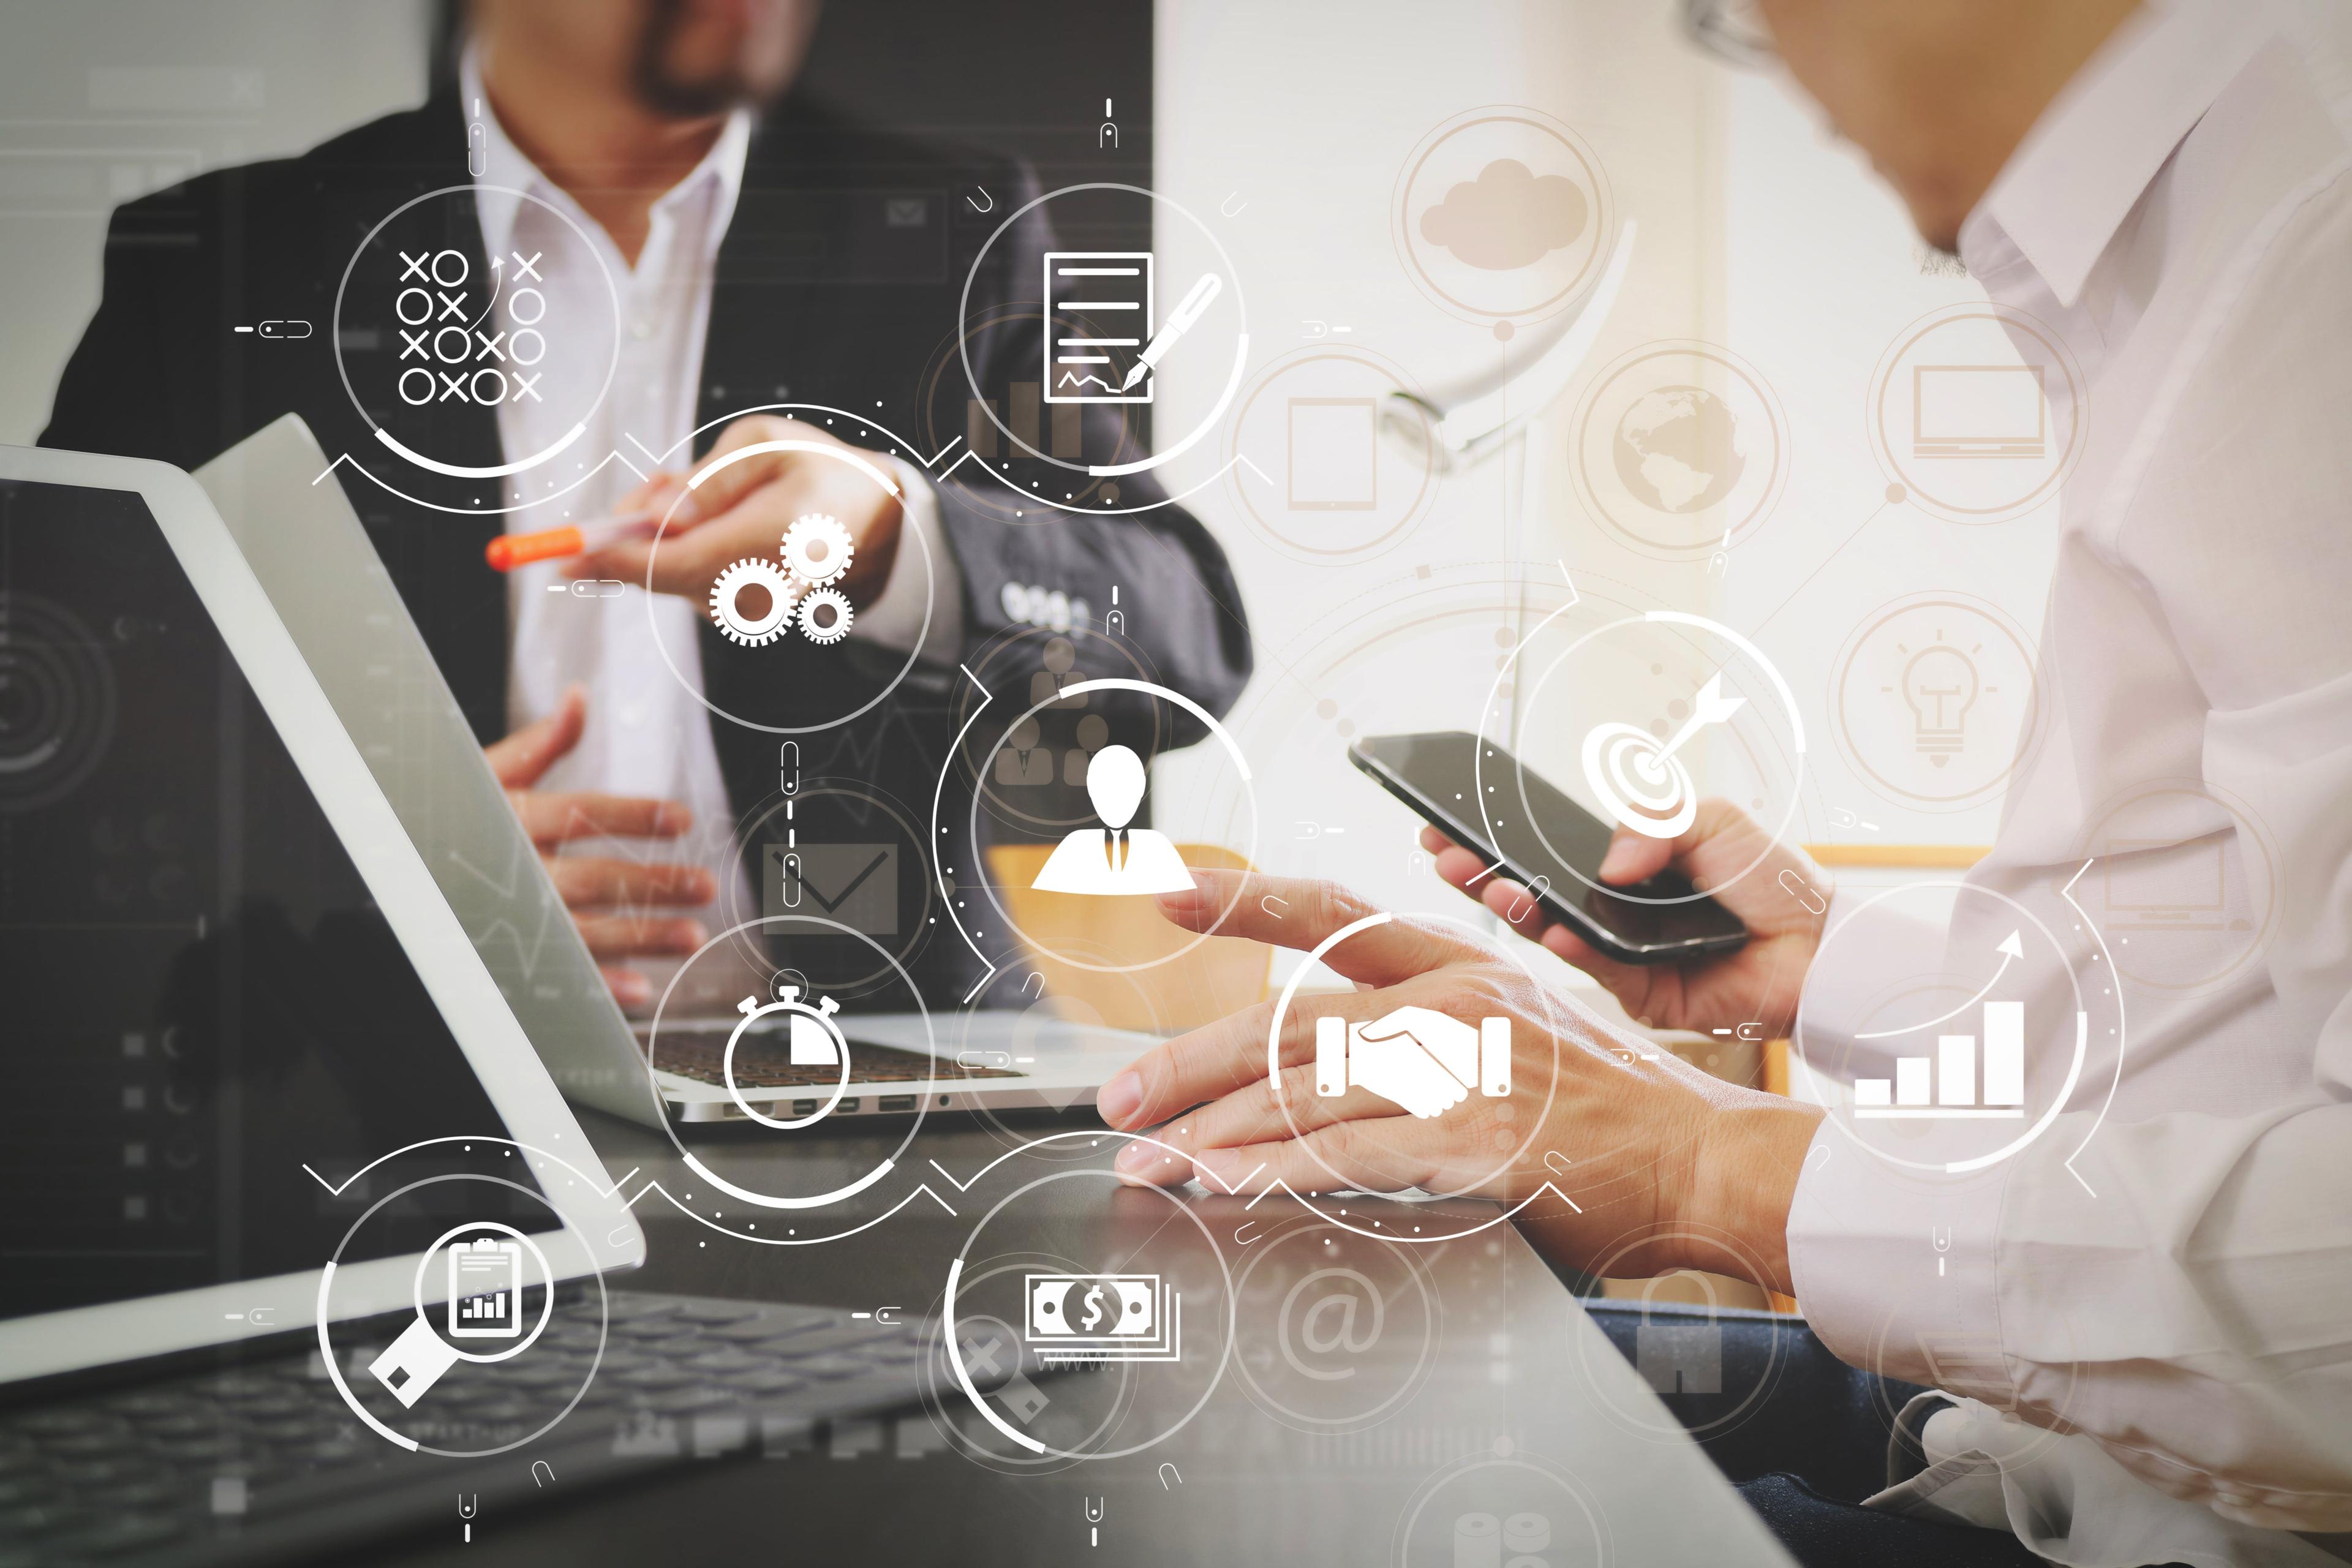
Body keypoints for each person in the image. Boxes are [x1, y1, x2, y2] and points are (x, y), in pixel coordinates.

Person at [1102, 1, 2352, 1563]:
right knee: (1217, 1399)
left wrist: (1716, 1166)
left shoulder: (2310, 240)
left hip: (2162, 1515)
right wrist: (1834, 965)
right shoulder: (2197, 230)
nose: (1754, 35)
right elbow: (2229, 1022)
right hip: (2027, 1429)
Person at [39, 0, 1251, 1009]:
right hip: (370, 1092)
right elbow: (53, 722)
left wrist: (898, 532)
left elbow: (1186, 631)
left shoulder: (956, 226)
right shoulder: (221, 263)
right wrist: (356, 857)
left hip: (885, 1098)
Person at [1030, 744, 1193, 896]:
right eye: (1106, 788)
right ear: (1091, 788)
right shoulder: (1074, 848)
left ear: (1141, 788)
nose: (1115, 799)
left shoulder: (1157, 849)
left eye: (1125, 788)